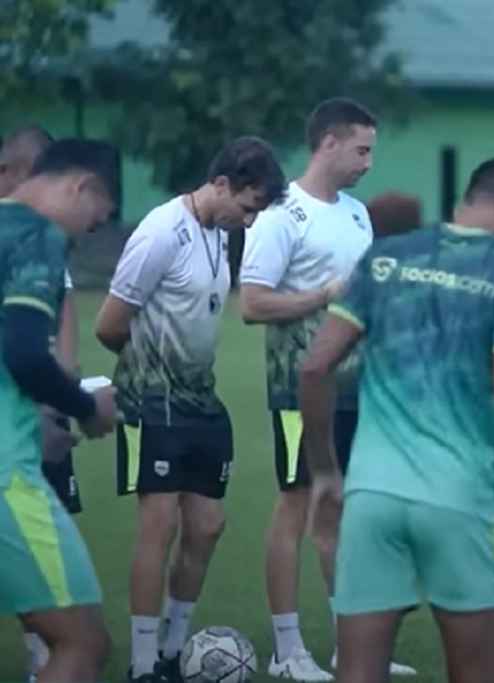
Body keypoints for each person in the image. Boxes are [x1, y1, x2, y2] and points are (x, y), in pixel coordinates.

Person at [299, 157, 494, 683]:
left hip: (372, 500)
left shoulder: (386, 257)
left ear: (463, 205)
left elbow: (315, 367)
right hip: (461, 501)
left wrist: (323, 472)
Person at [95, 137, 286, 683]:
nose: (248, 222)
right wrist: (149, 372)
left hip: (202, 401)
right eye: (247, 207)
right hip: (151, 402)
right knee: (157, 526)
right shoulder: (159, 232)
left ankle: (176, 650)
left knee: (207, 525)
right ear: (222, 184)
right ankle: (142, 662)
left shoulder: (218, 233)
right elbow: (109, 324)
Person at [239, 98, 412, 681]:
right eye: (362, 149)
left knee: (348, 514)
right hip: (298, 390)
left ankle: (351, 647)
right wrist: (324, 295)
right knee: (296, 507)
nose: (369, 162)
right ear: (329, 144)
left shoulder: (359, 215)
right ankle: (287, 651)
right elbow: (253, 303)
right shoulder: (281, 214)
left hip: (361, 391)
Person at [0, 138, 120, 683]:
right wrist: (84, 406)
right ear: (82, 186)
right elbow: (25, 351)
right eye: (99, 216)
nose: (91, 229)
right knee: (82, 643)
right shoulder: (35, 235)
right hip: (5, 473)